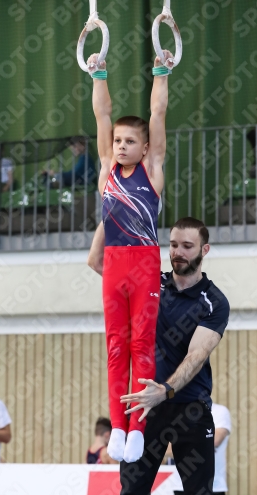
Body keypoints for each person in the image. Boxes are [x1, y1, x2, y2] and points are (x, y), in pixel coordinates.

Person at [88, 216, 230, 495]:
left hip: (190, 409)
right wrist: (112, 211)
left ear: (205, 250)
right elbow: (97, 261)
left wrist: (164, 391)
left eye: (188, 246)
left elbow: (196, 355)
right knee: (131, 494)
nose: (178, 251)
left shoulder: (214, 301)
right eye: (174, 244)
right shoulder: (150, 284)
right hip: (145, 409)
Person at [86, 48, 173, 464]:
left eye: (129, 142)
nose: (120, 146)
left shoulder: (151, 170)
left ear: (145, 148)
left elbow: (158, 115)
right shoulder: (106, 169)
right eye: (118, 141)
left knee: (142, 345)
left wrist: (161, 70)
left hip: (143, 263)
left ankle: (138, 425)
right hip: (115, 265)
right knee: (116, 347)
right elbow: (102, 116)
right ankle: (118, 425)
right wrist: (98, 75)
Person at [211, 402, 231, 495]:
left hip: (213, 486)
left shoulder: (219, 411)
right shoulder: (180, 413)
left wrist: (182, 444)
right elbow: (166, 449)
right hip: (180, 485)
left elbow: (215, 440)